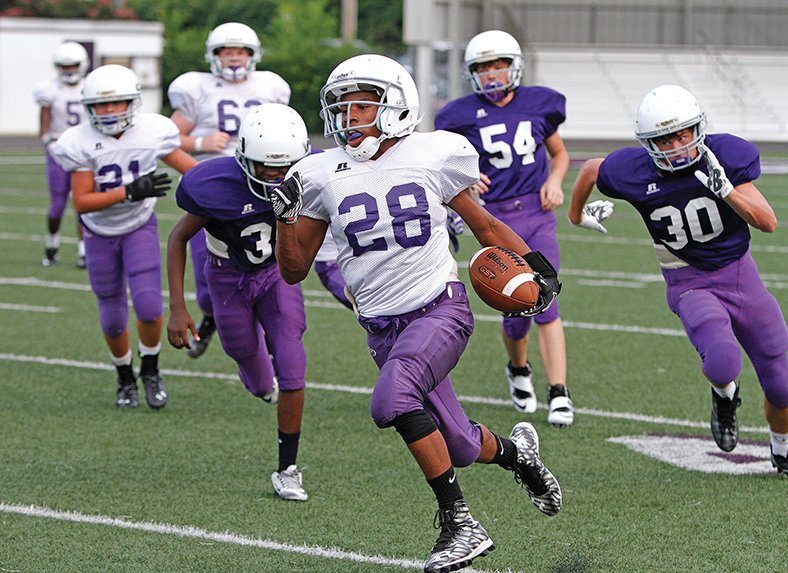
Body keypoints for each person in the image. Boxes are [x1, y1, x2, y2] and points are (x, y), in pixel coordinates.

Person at [272, 54, 563, 572]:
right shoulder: (318, 173)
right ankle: (522, 457)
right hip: (383, 330)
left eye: (361, 105)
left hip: (439, 311)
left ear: (395, 105)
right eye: (341, 108)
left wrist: (535, 268)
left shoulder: (434, 153)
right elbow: (294, 269)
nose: (348, 117)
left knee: (391, 400)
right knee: (460, 444)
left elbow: (486, 228)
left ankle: (460, 525)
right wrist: (284, 214)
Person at [568, 84, 788, 475]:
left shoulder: (726, 155)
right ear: (648, 143)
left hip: (740, 274)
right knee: (722, 362)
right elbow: (590, 169)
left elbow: (768, 221)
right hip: (688, 280)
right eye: (664, 138)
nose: (676, 145)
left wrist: (728, 191)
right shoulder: (633, 171)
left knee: (783, 384)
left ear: (698, 129)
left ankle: (782, 446)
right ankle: (724, 396)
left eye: (683, 133)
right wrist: (576, 215)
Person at [166, 103, 310, 501]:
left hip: (276, 277)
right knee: (248, 360)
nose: (276, 176)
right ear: (244, 157)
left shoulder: (310, 179)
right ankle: (264, 384)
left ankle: (288, 468)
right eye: (265, 166)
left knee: (292, 363)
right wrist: (178, 308)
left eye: (285, 167)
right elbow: (178, 238)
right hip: (227, 278)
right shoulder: (211, 183)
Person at [434, 30, 574, 427]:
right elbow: (443, 162)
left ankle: (559, 392)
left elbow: (559, 153)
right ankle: (518, 368)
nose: (492, 74)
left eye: (499, 65)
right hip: (494, 220)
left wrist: (555, 181)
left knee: (548, 298)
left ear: (514, 67)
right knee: (516, 312)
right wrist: (467, 175)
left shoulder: (539, 103)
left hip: (536, 212)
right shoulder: (458, 115)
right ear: (472, 73)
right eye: (483, 67)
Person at [51, 64, 197, 410]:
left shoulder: (152, 131)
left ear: (132, 102)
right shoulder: (79, 141)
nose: (108, 111)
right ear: (89, 108)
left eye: (116, 103)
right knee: (113, 317)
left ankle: (150, 370)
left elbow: (189, 168)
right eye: (101, 105)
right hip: (99, 232)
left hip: (137, 226)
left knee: (148, 306)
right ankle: (124, 376)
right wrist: (128, 191)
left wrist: (228, 183)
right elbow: (83, 202)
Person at [167, 22, 291, 359]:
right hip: (217, 193)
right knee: (207, 278)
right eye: (227, 51)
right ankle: (210, 316)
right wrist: (198, 143)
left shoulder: (270, 87)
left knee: (268, 267)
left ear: (253, 56)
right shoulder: (199, 89)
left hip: (266, 190)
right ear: (213, 56)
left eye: (240, 52)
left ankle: (271, 330)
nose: (234, 58)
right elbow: (166, 137)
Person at [33, 41, 90, 268]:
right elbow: (44, 129)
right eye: (64, 66)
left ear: (82, 65)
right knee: (57, 205)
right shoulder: (50, 90)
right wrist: (52, 146)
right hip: (58, 150)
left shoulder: (90, 86)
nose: (69, 70)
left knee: (82, 203)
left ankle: (84, 251)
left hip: (84, 151)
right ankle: (52, 244)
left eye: (73, 65)